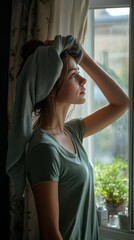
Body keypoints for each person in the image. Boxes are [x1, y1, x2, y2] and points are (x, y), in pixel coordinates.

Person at [6, 35, 130, 240]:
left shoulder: (72, 132)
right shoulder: (44, 150)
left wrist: (82, 55)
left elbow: (122, 103)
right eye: (73, 75)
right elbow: (50, 233)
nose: (83, 80)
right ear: (50, 87)